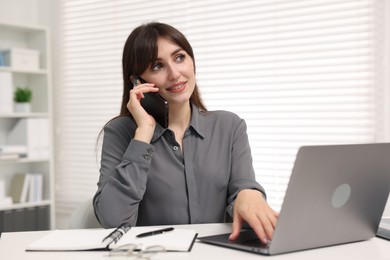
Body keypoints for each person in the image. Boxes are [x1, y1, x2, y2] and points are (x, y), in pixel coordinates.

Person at [93, 22, 278, 244]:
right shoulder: (121, 132)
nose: (174, 73)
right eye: (157, 66)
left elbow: (243, 189)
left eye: (179, 57)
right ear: (138, 82)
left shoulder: (230, 126)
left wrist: (249, 194)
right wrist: (143, 132)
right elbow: (112, 220)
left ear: (192, 61)